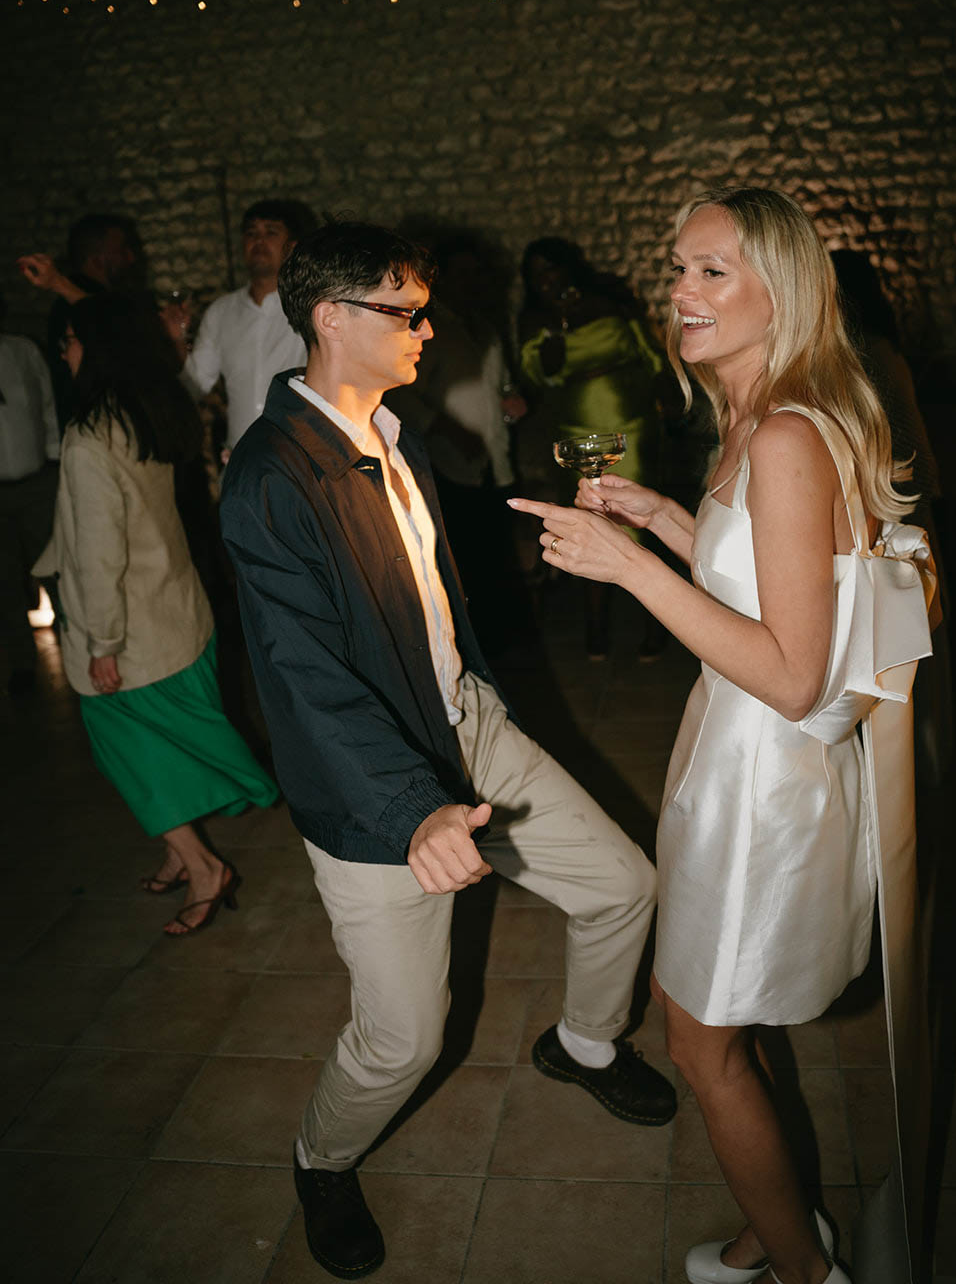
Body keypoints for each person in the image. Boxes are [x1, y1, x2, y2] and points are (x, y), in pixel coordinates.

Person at [219, 220, 675, 1280]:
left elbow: (424, 596)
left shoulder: (391, 425)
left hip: (468, 723)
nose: (429, 328)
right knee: (405, 1039)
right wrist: (410, 807)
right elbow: (305, 680)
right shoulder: (269, 478)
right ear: (333, 318)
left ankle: (585, 1043)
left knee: (622, 885)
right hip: (373, 784)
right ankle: (320, 1158)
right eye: (406, 311)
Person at [510, 189, 936, 1284]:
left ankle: (801, 1269)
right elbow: (774, 580)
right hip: (735, 760)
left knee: (702, 1043)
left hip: (764, 784)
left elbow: (794, 673)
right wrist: (664, 519)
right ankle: (772, 1220)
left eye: (712, 272)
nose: (680, 293)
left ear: (779, 291)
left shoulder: (787, 435)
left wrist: (631, 570)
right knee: (724, 1024)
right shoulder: (759, 417)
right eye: (677, 268)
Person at [35, 295, 278, 933]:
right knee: (159, 751)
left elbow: (97, 553)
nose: (65, 351)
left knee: (133, 758)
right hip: (175, 608)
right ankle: (179, 853)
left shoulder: (89, 435)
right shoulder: (146, 410)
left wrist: (101, 642)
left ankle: (204, 868)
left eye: (71, 340)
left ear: (99, 348)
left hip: (130, 628)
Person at [518, 236, 667, 659]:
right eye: (537, 276)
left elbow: (649, 352)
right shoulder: (535, 319)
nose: (547, 280)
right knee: (587, 519)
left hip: (631, 424)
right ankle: (596, 624)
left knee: (639, 521)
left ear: (569, 268)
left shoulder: (608, 300)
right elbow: (542, 374)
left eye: (552, 269)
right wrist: (557, 324)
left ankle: (656, 624)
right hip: (576, 432)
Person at [385, 231, 529, 654]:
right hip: (447, 464)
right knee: (461, 560)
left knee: (493, 555)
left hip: (491, 460)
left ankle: (500, 645)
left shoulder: (484, 328)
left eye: (476, 274)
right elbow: (403, 396)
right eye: (461, 274)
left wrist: (511, 401)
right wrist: (446, 431)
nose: (470, 283)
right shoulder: (430, 331)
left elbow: (499, 386)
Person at [162, 198, 313, 457]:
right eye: (251, 233)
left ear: (292, 247)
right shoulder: (221, 311)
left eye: (271, 233)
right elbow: (196, 384)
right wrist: (176, 337)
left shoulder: (311, 306)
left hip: (299, 455)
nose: (259, 242)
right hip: (240, 457)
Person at [0, 278, 59, 694]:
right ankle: (21, 664)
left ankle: (76, 645)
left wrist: (54, 459)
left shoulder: (22, 351)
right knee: (2, 579)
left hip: (36, 482)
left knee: (54, 569)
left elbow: (46, 403)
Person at [18, 213, 143, 429]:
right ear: (97, 258)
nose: (131, 258)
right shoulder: (73, 306)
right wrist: (57, 282)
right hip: (97, 434)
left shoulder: (101, 300)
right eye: (122, 250)